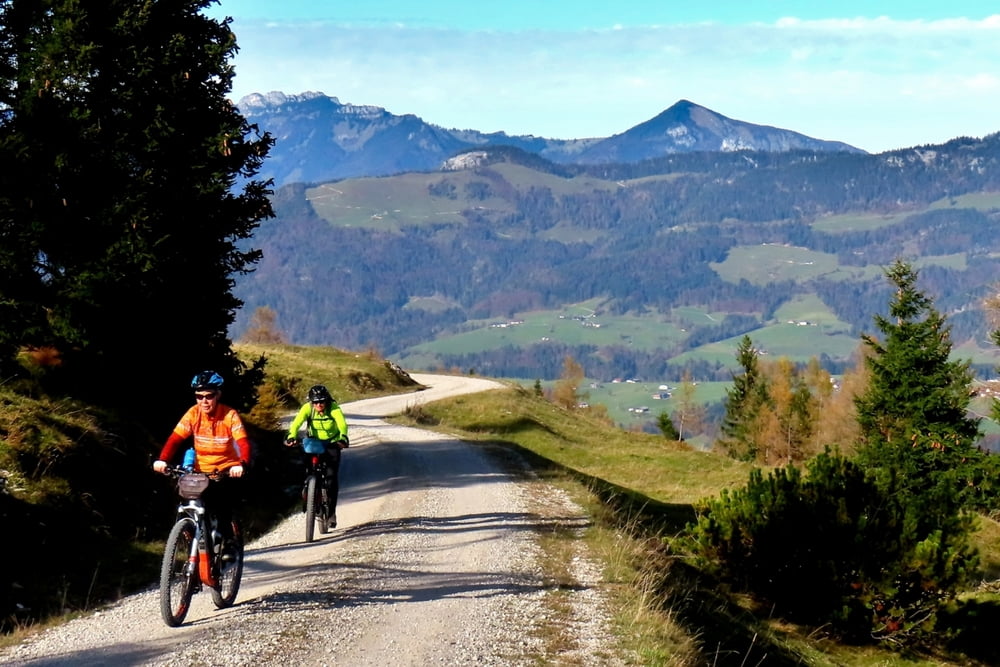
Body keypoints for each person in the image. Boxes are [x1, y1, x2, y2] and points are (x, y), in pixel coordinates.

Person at [153, 370, 252, 553]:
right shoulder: (193, 414)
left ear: (218, 394)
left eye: (209, 396)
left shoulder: (230, 415)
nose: (204, 401)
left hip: (226, 470)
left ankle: (229, 545)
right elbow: (175, 439)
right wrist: (163, 460)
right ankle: (191, 537)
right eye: (199, 396)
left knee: (222, 506)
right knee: (186, 496)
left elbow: (243, 442)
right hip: (201, 471)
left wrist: (242, 463)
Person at [286, 384, 349, 529]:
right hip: (313, 443)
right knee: (306, 470)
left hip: (332, 443)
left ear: (327, 400)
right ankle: (309, 494)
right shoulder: (307, 408)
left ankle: (331, 513)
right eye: (315, 402)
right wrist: (291, 436)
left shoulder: (334, 408)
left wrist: (343, 437)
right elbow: (296, 423)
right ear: (311, 402)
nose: (319, 405)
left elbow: (342, 424)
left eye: (321, 401)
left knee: (331, 478)